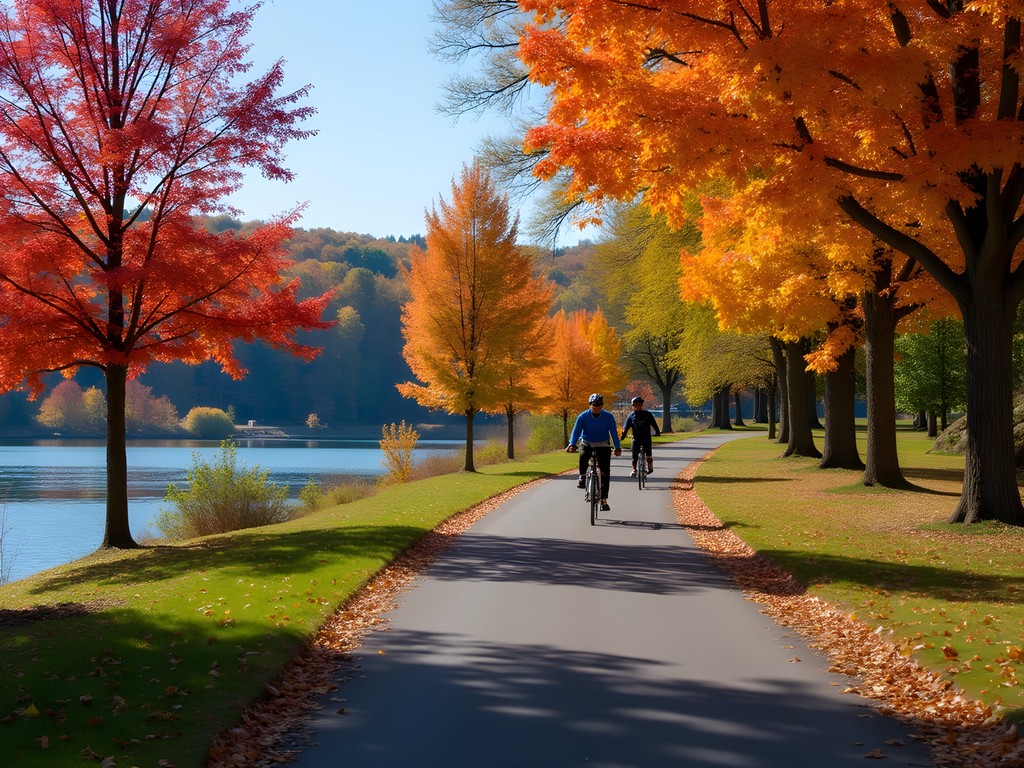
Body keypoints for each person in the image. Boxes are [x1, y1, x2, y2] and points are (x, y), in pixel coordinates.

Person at [566, 393, 622, 511]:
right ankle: (582, 476)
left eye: (598, 405)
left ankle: (603, 500)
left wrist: (617, 447)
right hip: (588, 442)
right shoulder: (583, 416)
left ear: (602, 405)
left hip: (603, 444)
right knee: (583, 456)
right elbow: (576, 431)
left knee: (605, 472)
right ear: (590, 405)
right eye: (593, 405)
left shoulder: (608, 416)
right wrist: (571, 444)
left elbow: (613, 433)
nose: (596, 407)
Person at [621, 396, 661, 476]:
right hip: (636, 438)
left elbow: (654, 424)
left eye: (638, 404)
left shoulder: (647, 414)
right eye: (635, 405)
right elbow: (626, 428)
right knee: (634, 457)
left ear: (641, 405)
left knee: (648, 455)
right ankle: (634, 470)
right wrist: (623, 436)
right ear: (633, 406)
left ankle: (650, 466)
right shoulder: (631, 416)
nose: (637, 406)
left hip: (646, 438)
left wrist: (657, 432)